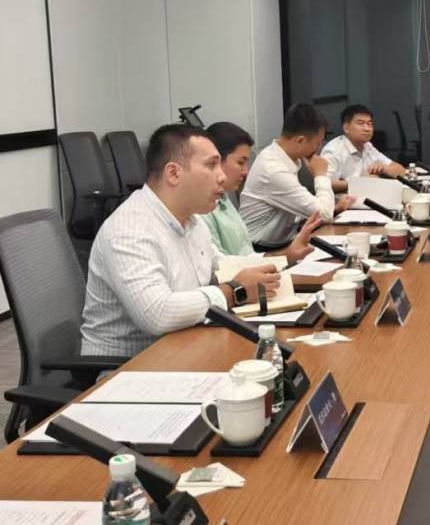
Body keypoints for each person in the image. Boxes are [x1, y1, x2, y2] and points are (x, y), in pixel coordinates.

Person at [80, 125, 281, 358]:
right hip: (128, 366)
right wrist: (234, 292)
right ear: (174, 173)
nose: (222, 176)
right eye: (211, 165)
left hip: (184, 347)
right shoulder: (129, 229)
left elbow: (220, 266)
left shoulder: (193, 221)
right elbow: (157, 314)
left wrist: (280, 269)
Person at [203, 121, 320, 263]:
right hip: (250, 264)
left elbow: (246, 257)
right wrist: (321, 175)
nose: (246, 172)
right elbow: (220, 268)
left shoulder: (222, 198)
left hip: (256, 264)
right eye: (240, 163)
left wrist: (286, 257)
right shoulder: (200, 211)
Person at [239, 103, 353, 245]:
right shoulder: (274, 169)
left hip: (285, 240)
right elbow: (325, 215)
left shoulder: (283, 157)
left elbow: (301, 212)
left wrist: (334, 209)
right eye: (317, 143)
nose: (318, 149)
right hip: (262, 249)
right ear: (300, 140)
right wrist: (321, 175)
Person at [320, 104, 407, 191]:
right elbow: (324, 183)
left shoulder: (368, 146)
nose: (367, 129)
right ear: (346, 128)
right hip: (342, 198)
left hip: (367, 195)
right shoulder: (333, 150)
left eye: (369, 124)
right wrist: (362, 182)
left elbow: (401, 171)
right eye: (360, 123)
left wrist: (384, 169)